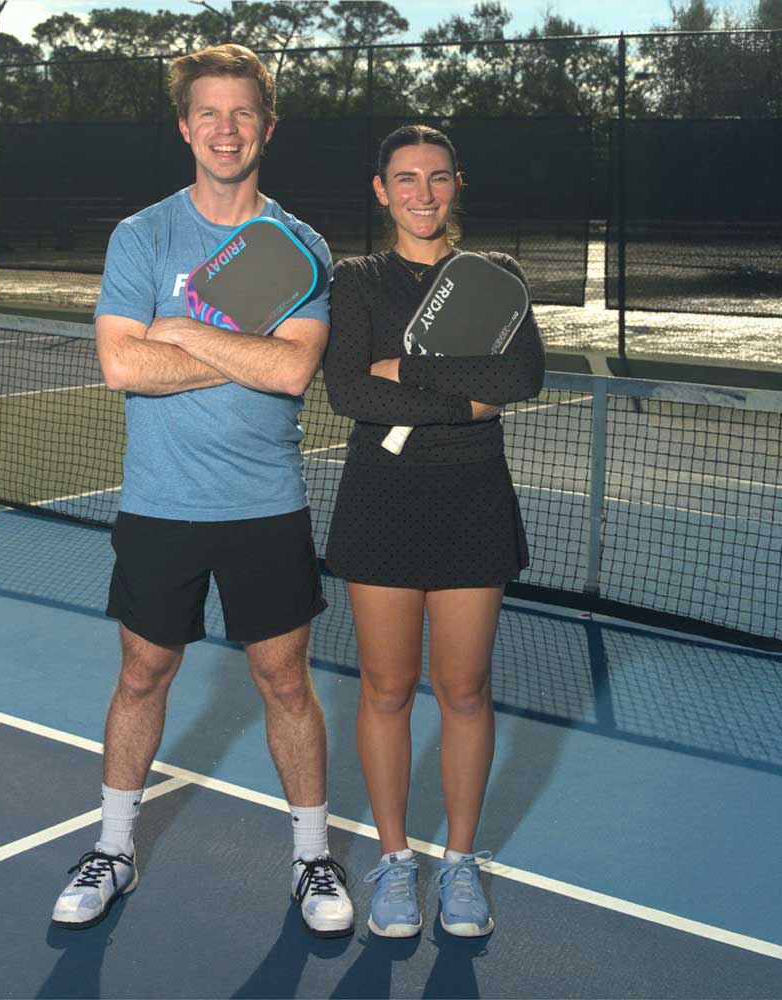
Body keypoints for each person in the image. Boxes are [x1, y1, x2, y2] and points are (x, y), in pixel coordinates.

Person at [51, 44, 353, 939]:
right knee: (143, 673)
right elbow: (120, 365)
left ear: (268, 125)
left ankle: (311, 855)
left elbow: (294, 371)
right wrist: (235, 352)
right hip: (160, 503)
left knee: (284, 681)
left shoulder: (301, 246)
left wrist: (180, 333)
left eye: (243, 113)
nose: (227, 129)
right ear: (186, 128)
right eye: (209, 114)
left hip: (267, 503)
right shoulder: (141, 236)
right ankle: (113, 848)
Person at [322, 124, 545, 939]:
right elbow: (349, 391)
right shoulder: (357, 280)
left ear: (458, 185)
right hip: (380, 498)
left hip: (471, 496)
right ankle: (393, 862)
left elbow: (519, 376)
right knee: (385, 689)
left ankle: (458, 864)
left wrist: (408, 370)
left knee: (463, 690)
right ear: (381, 190)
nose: (423, 193)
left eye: (438, 177)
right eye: (405, 179)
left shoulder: (497, 276)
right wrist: (463, 398)